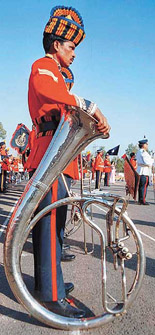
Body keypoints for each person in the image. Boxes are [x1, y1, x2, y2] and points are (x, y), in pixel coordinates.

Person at [27, 5, 110, 318]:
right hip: (50, 153)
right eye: (71, 47)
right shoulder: (43, 65)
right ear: (56, 45)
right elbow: (44, 88)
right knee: (48, 225)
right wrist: (92, 106)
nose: (75, 54)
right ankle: (50, 295)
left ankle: (52, 283)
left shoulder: (59, 74)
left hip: (59, 156)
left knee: (55, 225)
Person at [136, 138, 153, 205]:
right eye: (146, 144)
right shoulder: (143, 152)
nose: (147, 145)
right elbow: (147, 162)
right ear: (143, 145)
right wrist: (152, 161)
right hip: (144, 171)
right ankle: (142, 200)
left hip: (141, 171)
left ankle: (140, 199)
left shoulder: (139, 151)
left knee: (141, 186)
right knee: (144, 186)